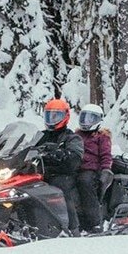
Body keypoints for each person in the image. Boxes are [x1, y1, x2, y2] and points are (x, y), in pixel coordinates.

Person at [35, 98, 85, 233]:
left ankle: (72, 228)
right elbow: (26, 147)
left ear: (65, 116)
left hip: (63, 174)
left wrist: (60, 154)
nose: (52, 119)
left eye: (56, 116)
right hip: (42, 172)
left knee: (60, 187)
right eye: (49, 115)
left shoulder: (72, 137)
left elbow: (75, 158)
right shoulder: (40, 136)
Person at [75, 104, 113, 232]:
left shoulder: (102, 136)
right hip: (76, 167)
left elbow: (106, 155)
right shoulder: (77, 134)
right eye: (84, 117)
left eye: (91, 118)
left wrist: (106, 169)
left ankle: (94, 221)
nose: (86, 121)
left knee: (84, 182)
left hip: (92, 169)